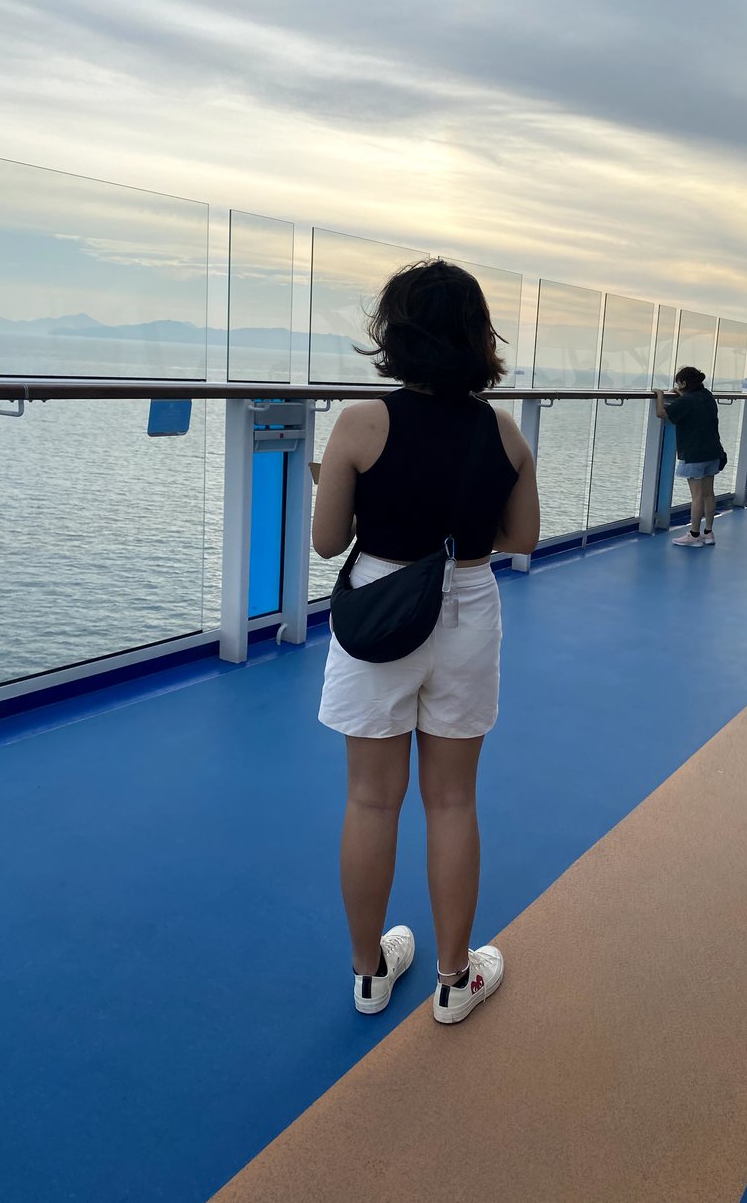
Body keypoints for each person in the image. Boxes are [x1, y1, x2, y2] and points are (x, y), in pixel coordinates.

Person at [312, 259, 540, 1025]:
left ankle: (370, 970)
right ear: (479, 337)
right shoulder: (503, 431)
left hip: (381, 606)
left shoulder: (360, 422)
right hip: (467, 604)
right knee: (452, 801)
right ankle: (454, 976)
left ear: (394, 334)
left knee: (371, 800)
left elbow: (325, 540)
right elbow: (523, 537)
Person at [655, 365, 724, 547]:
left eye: (678, 382)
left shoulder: (686, 401)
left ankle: (694, 535)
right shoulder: (706, 395)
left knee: (697, 496)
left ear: (683, 383)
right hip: (713, 451)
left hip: (694, 453)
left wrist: (659, 394)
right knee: (709, 494)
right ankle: (708, 533)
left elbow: (662, 413)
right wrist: (681, 394)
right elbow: (692, 403)